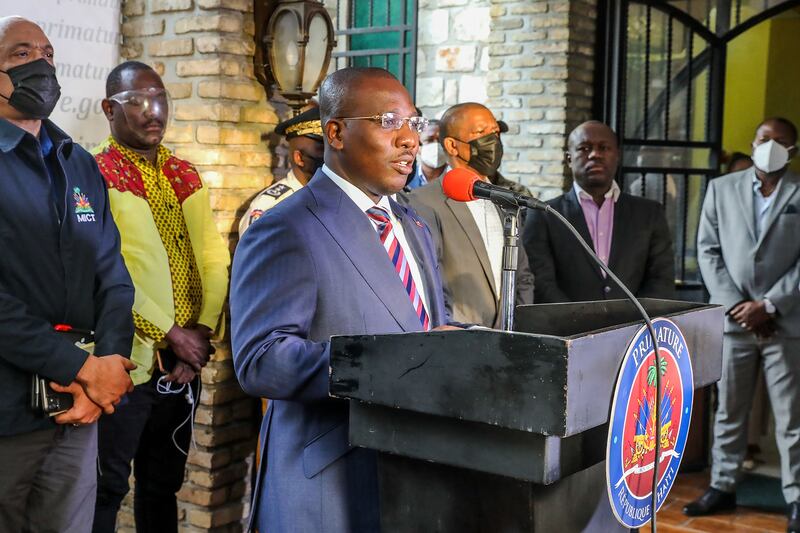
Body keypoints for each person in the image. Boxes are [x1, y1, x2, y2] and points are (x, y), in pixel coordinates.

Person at [231, 67, 457, 533]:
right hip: (331, 475)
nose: (410, 141)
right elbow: (261, 359)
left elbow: (432, 321)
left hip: (414, 464)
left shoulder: (412, 222)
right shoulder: (286, 227)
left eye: (414, 124)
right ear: (336, 132)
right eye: (389, 122)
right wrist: (387, 363)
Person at [0, 16, 135, 532]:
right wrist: (83, 369)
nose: (43, 64)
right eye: (20, 54)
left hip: (79, 411)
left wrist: (109, 364)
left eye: (49, 53)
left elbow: (113, 275)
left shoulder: (78, 163)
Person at [91, 61, 230, 533]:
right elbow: (107, 269)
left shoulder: (183, 173)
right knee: (106, 487)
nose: (154, 113)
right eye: (138, 102)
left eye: (160, 98)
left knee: (163, 484)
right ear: (110, 108)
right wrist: (169, 333)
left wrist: (199, 335)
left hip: (181, 363)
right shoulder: (94, 173)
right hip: (124, 360)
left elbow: (212, 257)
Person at [687, 117, 800, 533]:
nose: (770, 146)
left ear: (793, 151)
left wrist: (769, 305)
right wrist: (739, 306)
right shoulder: (721, 189)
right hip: (735, 322)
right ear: (752, 143)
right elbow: (708, 250)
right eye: (763, 139)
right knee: (729, 409)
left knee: (792, 418)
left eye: (781, 142)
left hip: (786, 322)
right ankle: (723, 485)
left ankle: (797, 495)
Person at [408, 102, 534, 327]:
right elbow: (430, 281)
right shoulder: (422, 201)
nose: (492, 140)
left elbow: (522, 275)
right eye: (480, 133)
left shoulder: (505, 199)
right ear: (452, 146)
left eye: (495, 132)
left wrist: (519, 325)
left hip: (510, 338)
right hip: (459, 341)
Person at [522, 120, 675, 302]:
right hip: (567, 327)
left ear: (617, 156)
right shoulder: (544, 214)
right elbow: (541, 283)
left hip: (634, 327)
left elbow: (661, 280)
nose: (595, 155)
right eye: (584, 148)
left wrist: (630, 325)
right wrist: (579, 322)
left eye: (604, 148)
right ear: (569, 159)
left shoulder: (650, 214)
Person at [239, 106, 323, 235]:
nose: (332, 159)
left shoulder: (336, 197)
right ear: (299, 158)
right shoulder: (270, 206)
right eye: (322, 151)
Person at [405, 116, 446, 190]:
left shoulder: (458, 179)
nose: (436, 146)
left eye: (441, 141)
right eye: (429, 140)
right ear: (418, 146)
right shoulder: (406, 180)